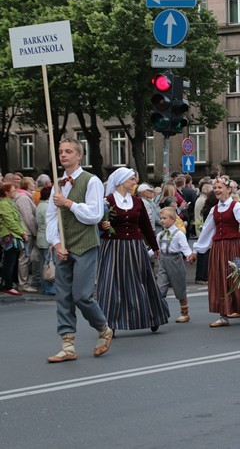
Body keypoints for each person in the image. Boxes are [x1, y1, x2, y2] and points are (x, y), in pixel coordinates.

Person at [45, 137, 113, 363]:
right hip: (64, 246)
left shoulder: (90, 181)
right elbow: (51, 218)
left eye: (68, 151)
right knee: (63, 296)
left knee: (82, 295)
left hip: (85, 245)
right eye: (60, 152)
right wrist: (55, 243)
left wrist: (68, 203)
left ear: (79, 155)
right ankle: (67, 345)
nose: (63, 155)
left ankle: (103, 328)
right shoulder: (58, 183)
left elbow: (94, 214)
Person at [97, 167, 169, 333]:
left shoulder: (137, 202)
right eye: (132, 179)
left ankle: (152, 316)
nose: (135, 182)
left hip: (135, 247)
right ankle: (111, 321)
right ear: (122, 181)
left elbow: (145, 226)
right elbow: (97, 222)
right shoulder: (107, 201)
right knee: (112, 284)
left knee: (142, 281)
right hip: (113, 247)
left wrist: (155, 246)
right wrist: (102, 225)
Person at [190, 176, 240, 327]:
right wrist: (196, 251)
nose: (217, 190)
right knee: (219, 279)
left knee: (238, 278)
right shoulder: (215, 209)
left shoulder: (236, 207)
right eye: (215, 188)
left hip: (233, 246)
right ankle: (223, 315)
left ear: (228, 189)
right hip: (218, 248)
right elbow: (207, 230)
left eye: (220, 188)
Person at [154, 207, 193, 323]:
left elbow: (185, 248)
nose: (162, 221)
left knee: (179, 288)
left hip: (175, 261)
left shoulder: (178, 234)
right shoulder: (160, 234)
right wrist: (145, 254)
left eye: (164, 218)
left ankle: (184, 313)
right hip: (163, 261)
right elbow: (156, 249)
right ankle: (159, 313)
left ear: (173, 219)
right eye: (161, 218)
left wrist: (190, 255)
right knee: (159, 289)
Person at [0, 183, 28, 296]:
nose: (15, 193)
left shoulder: (10, 203)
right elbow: (10, 221)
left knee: (11, 261)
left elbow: (17, 220)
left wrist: (23, 231)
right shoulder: (4, 204)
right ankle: (7, 285)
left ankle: (8, 284)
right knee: (9, 262)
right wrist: (22, 232)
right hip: (8, 235)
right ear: (7, 192)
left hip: (13, 234)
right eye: (13, 191)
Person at [15, 177, 39, 293]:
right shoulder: (23, 198)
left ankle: (22, 282)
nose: (35, 185)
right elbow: (28, 217)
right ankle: (23, 283)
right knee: (24, 257)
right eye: (32, 183)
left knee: (24, 257)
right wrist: (35, 232)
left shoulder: (23, 196)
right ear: (28, 186)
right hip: (27, 231)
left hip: (25, 230)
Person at [36, 186, 55, 295]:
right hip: (47, 239)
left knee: (43, 264)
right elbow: (49, 224)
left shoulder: (40, 205)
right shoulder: (47, 207)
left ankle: (45, 287)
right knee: (49, 264)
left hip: (41, 237)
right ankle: (49, 288)